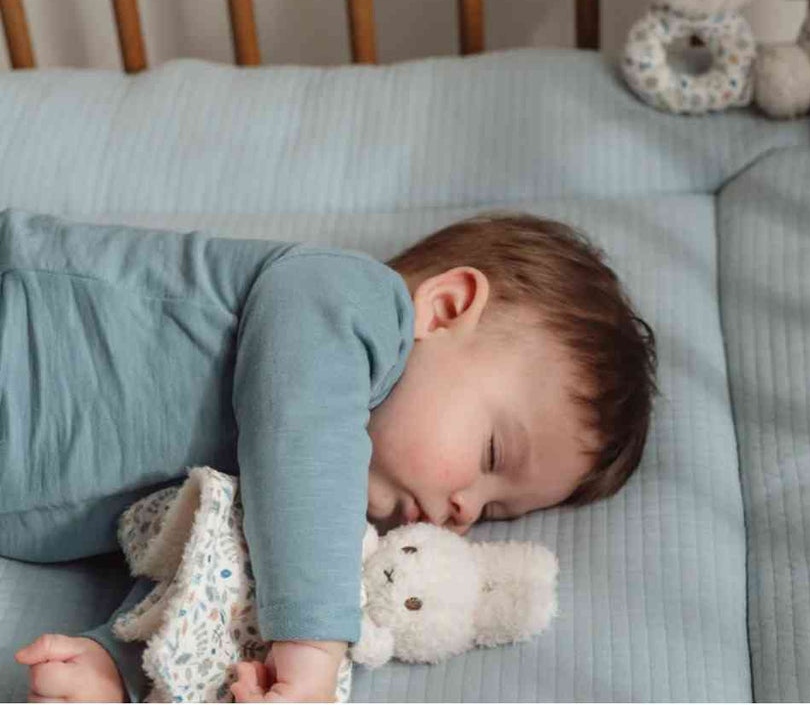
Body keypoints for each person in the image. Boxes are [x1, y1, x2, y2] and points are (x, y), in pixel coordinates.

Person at [4, 209, 657, 702]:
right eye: (491, 453)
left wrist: (113, 664)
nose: (464, 511)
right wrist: (313, 644)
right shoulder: (351, 300)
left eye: (496, 512)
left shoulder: (292, 529)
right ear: (445, 309)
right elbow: (301, 420)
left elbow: (195, 575)